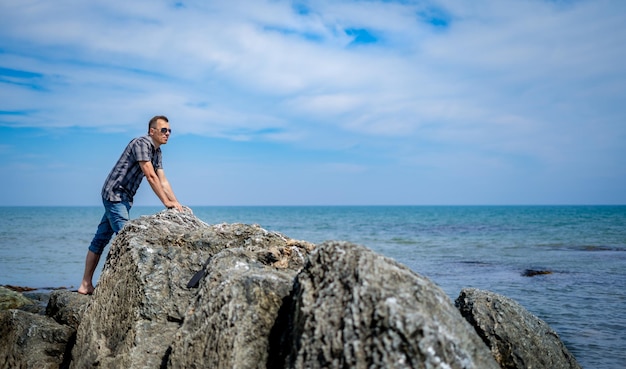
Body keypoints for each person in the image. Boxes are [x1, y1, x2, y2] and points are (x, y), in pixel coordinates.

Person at [77, 115, 184, 295]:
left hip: (124, 198)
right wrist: (166, 202)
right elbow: (150, 176)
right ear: (152, 131)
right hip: (115, 195)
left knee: (101, 238)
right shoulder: (141, 143)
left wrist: (175, 202)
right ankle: (121, 291)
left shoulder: (157, 152)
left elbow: (162, 180)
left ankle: (85, 285)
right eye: (164, 130)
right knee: (128, 240)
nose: (168, 134)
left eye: (170, 131)